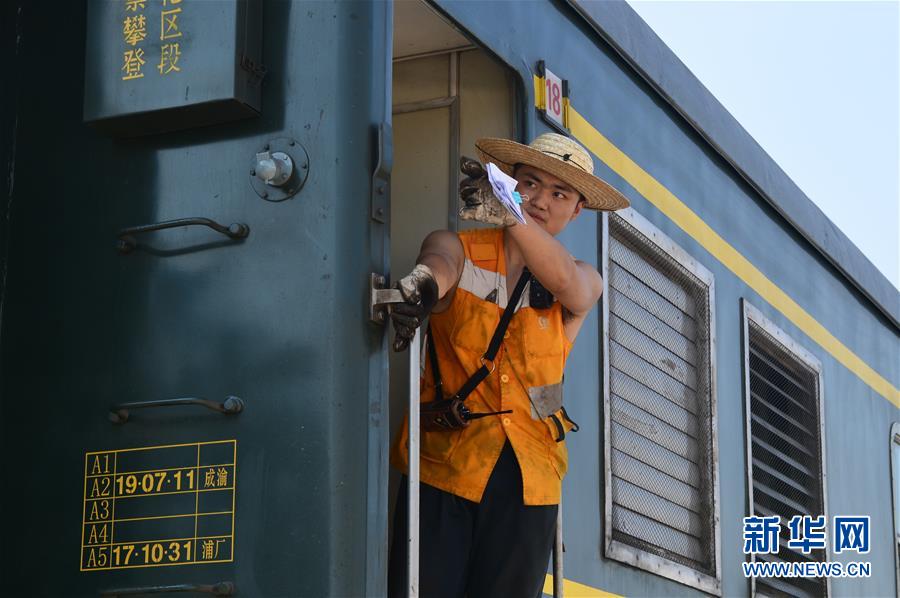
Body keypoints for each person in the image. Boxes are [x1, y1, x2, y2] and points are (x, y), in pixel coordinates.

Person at [387, 133, 629, 597]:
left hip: (530, 484)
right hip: (444, 470)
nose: (540, 200)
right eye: (530, 183)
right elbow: (438, 263)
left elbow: (569, 283)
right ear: (511, 183)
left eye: (559, 193)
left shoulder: (582, 279)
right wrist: (422, 285)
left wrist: (509, 213)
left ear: (577, 210)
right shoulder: (457, 246)